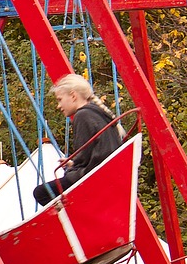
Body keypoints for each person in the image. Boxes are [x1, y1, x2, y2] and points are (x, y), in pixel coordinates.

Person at [33, 74, 123, 207]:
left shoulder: (82, 115)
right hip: (104, 172)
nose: (59, 105)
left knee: (41, 192)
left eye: (60, 99)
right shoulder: (98, 114)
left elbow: (83, 158)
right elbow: (92, 151)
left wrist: (74, 166)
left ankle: (72, 218)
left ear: (73, 96)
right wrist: (73, 163)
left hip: (93, 177)